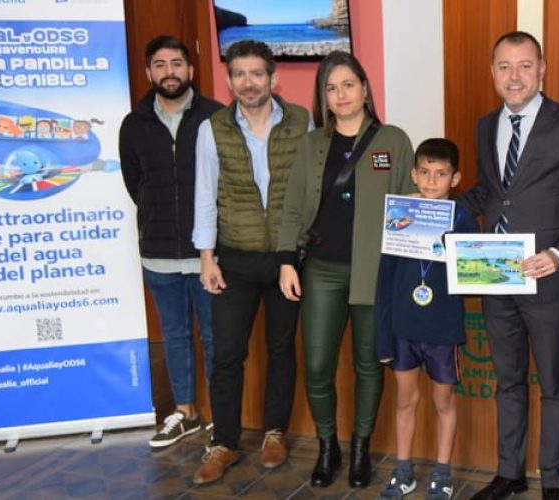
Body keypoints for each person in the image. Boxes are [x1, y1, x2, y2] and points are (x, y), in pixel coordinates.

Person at [458, 31, 559, 500]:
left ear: (542, 70)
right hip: (495, 275)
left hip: (548, 281)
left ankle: (552, 482)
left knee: (555, 384)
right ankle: (509, 473)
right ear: (492, 72)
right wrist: (437, 208)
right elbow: (489, 193)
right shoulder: (483, 126)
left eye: (523, 66)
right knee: (508, 381)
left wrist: (558, 255)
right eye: (504, 66)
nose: (513, 76)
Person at [277, 50, 417, 489]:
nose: (340, 95)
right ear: (323, 95)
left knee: (369, 365)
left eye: (348, 85)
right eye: (331, 88)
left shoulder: (393, 140)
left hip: (375, 273)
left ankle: (360, 449)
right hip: (321, 270)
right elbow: (294, 205)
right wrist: (286, 261)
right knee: (317, 365)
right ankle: (327, 447)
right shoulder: (312, 143)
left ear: (365, 89)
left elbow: (408, 207)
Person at [190, 39, 310, 485]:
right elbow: (205, 195)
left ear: (272, 77)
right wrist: (207, 258)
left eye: (257, 73)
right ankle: (223, 442)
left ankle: (274, 433)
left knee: (281, 349)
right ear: (229, 80)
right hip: (234, 259)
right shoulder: (212, 128)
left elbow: (307, 190)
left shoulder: (301, 121)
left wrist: (298, 252)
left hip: (286, 259)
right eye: (239, 74)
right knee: (226, 354)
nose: (248, 82)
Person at [118, 35, 223, 450]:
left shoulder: (216, 116)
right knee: (175, 334)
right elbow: (134, 182)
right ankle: (186, 413)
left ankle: (221, 415)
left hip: (208, 255)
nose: (169, 71)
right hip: (159, 253)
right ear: (149, 73)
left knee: (216, 336)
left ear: (190, 70)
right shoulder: (134, 124)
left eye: (177, 63)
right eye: (160, 64)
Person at [374, 138, 477, 500]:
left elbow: (471, 269)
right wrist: (382, 337)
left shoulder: (462, 218)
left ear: (456, 177)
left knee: (443, 402)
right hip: (403, 328)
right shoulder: (399, 216)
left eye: (441, 174)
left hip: (442, 329)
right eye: (425, 173)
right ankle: (403, 471)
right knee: (405, 400)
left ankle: (442, 473)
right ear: (414, 175)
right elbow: (384, 281)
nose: (432, 181)